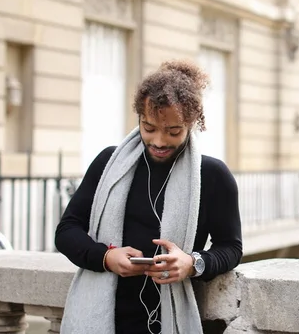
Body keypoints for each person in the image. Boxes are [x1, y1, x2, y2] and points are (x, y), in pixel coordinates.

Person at [55, 59, 243, 334]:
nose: (158, 141)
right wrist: (107, 257)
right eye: (149, 127)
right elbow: (66, 231)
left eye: (173, 131)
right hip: (107, 319)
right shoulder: (109, 163)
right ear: (139, 117)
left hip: (170, 320)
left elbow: (231, 248)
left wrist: (192, 263)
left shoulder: (213, 175)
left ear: (192, 123)